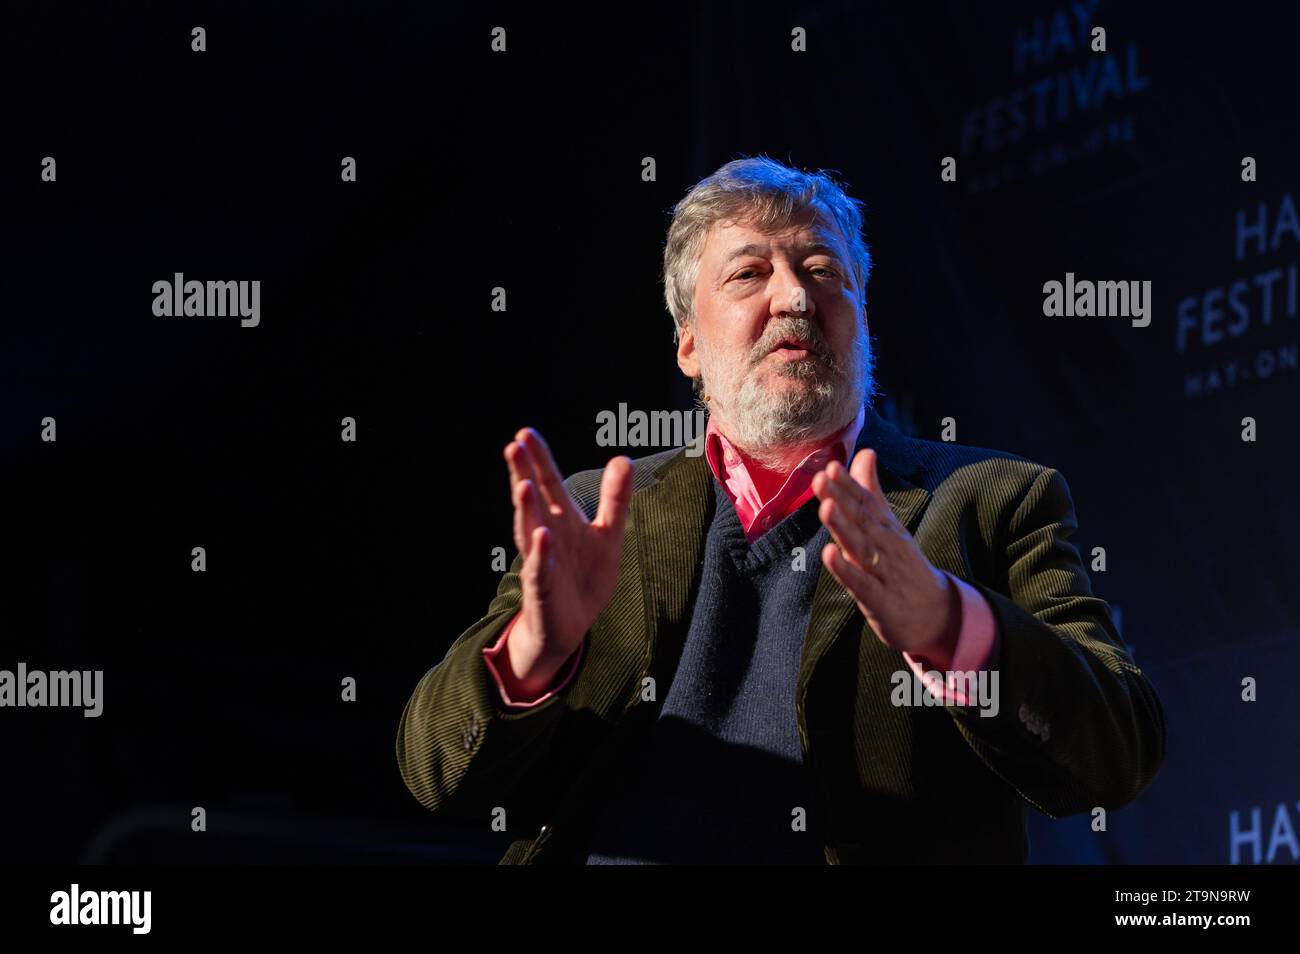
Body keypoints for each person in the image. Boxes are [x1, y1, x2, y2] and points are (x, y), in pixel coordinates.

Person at [395, 156, 1167, 864]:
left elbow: (1117, 751)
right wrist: (537, 648)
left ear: (862, 317)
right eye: (749, 274)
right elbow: (435, 773)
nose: (796, 295)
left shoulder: (993, 500)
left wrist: (949, 627)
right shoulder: (597, 512)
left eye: (825, 270)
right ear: (688, 344)